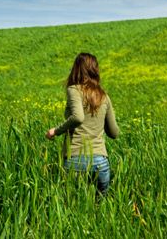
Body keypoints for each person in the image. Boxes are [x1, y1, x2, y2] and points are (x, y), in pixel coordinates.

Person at [46, 52, 119, 195]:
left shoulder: (74, 90)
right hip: (101, 163)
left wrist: (56, 130)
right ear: (95, 70)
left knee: (72, 207)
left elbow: (78, 117)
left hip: (75, 160)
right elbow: (114, 133)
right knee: (100, 209)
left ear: (77, 69)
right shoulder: (104, 95)